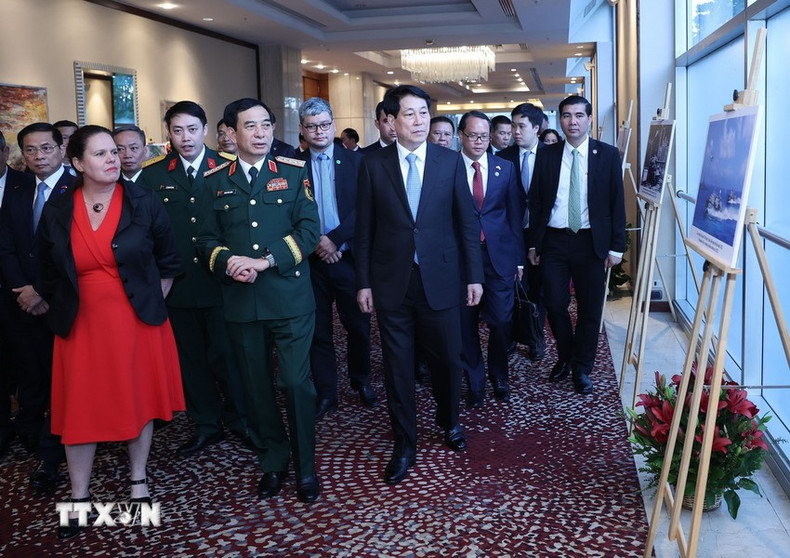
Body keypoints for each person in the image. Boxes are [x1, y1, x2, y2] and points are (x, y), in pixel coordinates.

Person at [37, 125, 185, 539]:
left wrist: (150, 304)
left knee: (138, 401)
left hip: (136, 321)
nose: (112, 160)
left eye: (114, 153)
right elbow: (47, 269)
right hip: (80, 323)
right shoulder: (58, 208)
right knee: (78, 409)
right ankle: (79, 498)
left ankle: (138, 481)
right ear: (78, 163)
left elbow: (169, 260)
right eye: (100, 154)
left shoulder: (143, 200)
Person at [355, 85, 483, 485]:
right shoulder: (373, 165)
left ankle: (449, 421)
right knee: (397, 367)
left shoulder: (449, 161)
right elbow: (364, 230)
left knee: (448, 358)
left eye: (423, 113)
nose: (418, 121)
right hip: (392, 281)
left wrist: (474, 275)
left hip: (442, 280)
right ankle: (404, 441)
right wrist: (363, 283)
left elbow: (466, 223)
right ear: (391, 120)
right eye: (409, 114)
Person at [198, 97, 321, 503]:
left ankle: (306, 466)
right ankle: (273, 458)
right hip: (242, 300)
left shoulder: (293, 171)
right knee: (256, 387)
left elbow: (308, 230)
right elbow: (204, 240)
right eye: (250, 126)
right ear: (231, 134)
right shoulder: (213, 180)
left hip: (289, 297)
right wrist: (229, 261)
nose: (261, 132)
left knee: (294, 382)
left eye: (266, 124)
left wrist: (265, 260)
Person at [140, 100, 249, 457]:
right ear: (168, 134)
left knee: (229, 355)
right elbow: (145, 233)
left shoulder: (229, 168)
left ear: (205, 130)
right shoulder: (153, 175)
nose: (185, 138)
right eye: (177, 130)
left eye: (191, 129)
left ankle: (240, 418)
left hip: (222, 282)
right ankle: (206, 423)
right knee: (192, 359)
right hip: (180, 284)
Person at [528, 95, 626, 394]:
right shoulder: (547, 154)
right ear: (560, 120)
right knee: (555, 304)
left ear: (589, 119)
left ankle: (581, 368)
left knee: (589, 309)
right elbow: (536, 200)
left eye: (579, 115)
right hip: (554, 240)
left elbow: (616, 202)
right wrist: (534, 243)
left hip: (589, 241)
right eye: (567, 116)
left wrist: (616, 246)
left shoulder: (607, 155)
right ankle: (566, 355)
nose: (573, 121)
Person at [0, 123, 76, 491]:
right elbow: (7, 245)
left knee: (65, 381)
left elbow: (73, 254)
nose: (39, 156)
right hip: (23, 301)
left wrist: (42, 291)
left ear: (62, 149)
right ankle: (39, 437)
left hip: (63, 302)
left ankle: (54, 452)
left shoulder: (78, 188)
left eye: (46, 148)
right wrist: (23, 289)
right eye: (30, 150)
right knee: (34, 374)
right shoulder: (16, 189)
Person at [296, 98, 375, 420]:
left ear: (333, 124)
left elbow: (366, 208)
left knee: (358, 325)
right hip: (311, 259)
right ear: (302, 129)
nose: (319, 131)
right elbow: (288, 211)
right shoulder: (290, 164)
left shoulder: (358, 161)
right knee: (318, 330)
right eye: (312, 126)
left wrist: (336, 240)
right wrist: (316, 243)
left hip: (347, 256)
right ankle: (327, 391)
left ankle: (361, 380)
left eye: (325, 124)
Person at [457, 111, 523, 408]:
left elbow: (514, 215)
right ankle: (475, 380)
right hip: (460, 258)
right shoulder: (447, 168)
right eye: (474, 135)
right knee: (465, 323)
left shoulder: (504, 168)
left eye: (485, 136)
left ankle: (499, 375)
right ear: (461, 135)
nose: (480, 141)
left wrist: (518, 259)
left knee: (501, 320)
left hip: (498, 257)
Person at [498, 102, 547, 360]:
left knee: (539, 290)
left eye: (521, 126)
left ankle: (535, 338)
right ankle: (512, 337)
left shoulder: (551, 156)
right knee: (514, 288)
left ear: (536, 128)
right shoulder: (503, 158)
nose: (515, 131)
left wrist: (537, 242)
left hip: (542, 235)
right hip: (512, 234)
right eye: (513, 126)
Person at [0, 130, 33, 459]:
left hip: (24, 291)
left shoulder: (26, 186)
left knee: (27, 364)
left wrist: (27, 288)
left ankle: (30, 427)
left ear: (6, 151)